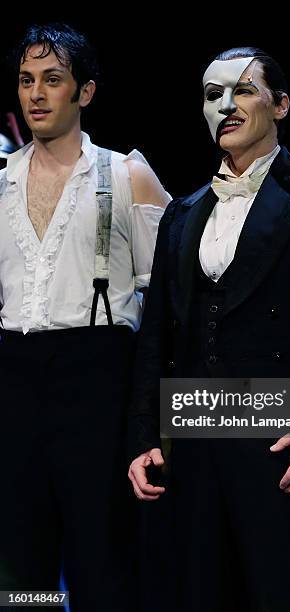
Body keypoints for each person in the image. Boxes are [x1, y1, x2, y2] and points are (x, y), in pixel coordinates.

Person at [128, 47, 290, 612]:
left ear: (282, 104)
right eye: (212, 95)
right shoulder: (183, 211)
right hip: (196, 437)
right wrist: (145, 435)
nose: (226, 105)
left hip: (283, 436)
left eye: (242, 90)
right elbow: (157, 339)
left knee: (283, 592)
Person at [0, 23, 169, 612]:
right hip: (15, 381)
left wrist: (151, 421)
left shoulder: (126, 175)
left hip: (97, 381)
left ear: (85, 91)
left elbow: (168, 307)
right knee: (23, 569)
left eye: (52, 79)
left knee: (102, 562)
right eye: (26, 81)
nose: (36, 95)